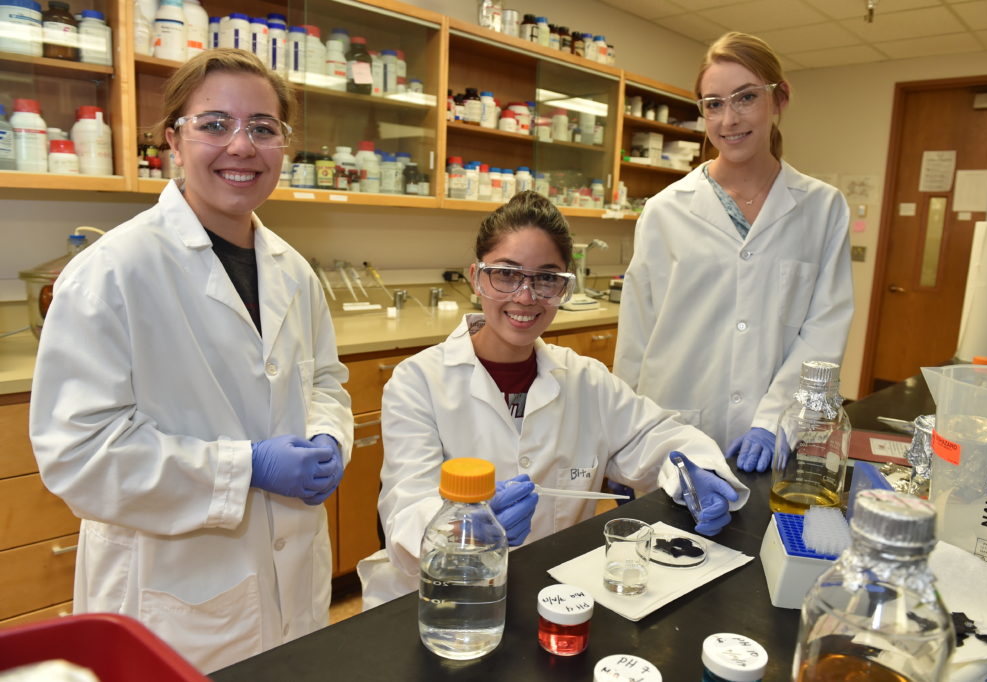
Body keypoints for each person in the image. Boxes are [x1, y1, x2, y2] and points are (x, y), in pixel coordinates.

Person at [29, 49, 353, 673]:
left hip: (290, 567)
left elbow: (325, 380)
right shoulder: (113, 272)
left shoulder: (293, 269)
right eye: (214, 124)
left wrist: (329, 434)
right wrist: (246, 468)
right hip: (172, 592)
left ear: (284, 144)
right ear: (173, 140)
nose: (242, 146)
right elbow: (80, 454)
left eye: (263, 127)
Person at [357, 191, 749, 608]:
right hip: (442, 604)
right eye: (506, 274)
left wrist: (697, 474)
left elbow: (657, 437)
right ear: (476, 277)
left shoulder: (585, 380)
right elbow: (406, 513)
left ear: (564, 286)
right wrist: (467, 530)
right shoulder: (418, 382)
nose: (526, 297)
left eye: (546, 278)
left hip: (556, 599)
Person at [614, 32, 854, 474]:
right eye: (714, 104)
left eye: (745, 98)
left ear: (779, 100)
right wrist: (625, 441)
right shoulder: (666, 210)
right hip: (671, 430)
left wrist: (775, 421)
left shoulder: (822, 208)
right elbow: (636, 338)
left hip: (774, 438)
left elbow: (825, 330)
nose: (729, 119)